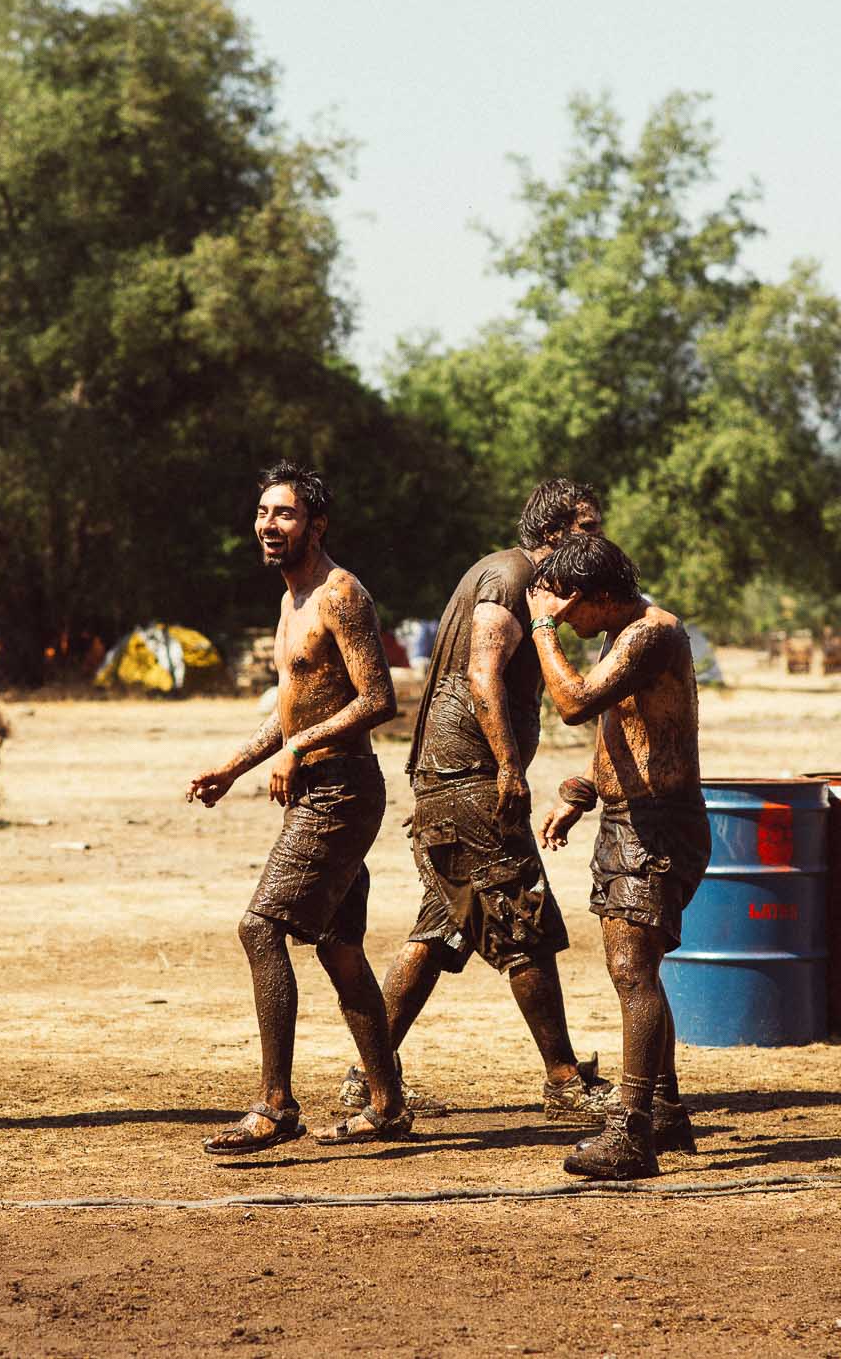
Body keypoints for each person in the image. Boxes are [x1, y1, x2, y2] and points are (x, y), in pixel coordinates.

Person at [338, 479, 616, 1126]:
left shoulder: (518, 578)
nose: (598, 542)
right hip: (471, 783)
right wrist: (508, 769)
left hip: (452, 783)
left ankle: (365, 1079)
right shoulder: (513, 577)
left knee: (438, 931)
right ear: (555, 534)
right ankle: (565, 1081)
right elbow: (481, 673)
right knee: (525, 923)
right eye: (590, 529)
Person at [187, 462, 410, 1153]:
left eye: (283, 514)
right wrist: (233, 765)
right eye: (262, 513)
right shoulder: (290, 600)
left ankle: (277, 1105)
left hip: (342, 788)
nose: (268, 525)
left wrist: (299, 749)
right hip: (316, 785)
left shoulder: (340, 595)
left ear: (316, 525)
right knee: (341, 949)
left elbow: (379, 700)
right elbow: (294, 710)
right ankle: (387, 1104)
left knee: (260, 928)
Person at [526, 536, 707, 1180]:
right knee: (641, 969)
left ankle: (631, 1130)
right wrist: (581, 791)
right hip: (633, 820)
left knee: (632, 971)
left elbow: (574, 704)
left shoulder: (651, 634)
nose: (567, 622)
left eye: (571, 609)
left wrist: (543, 628)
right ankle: (660, 1107)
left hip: (655, 829)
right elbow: (631, 731)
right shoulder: (623, 634)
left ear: (596, 597)